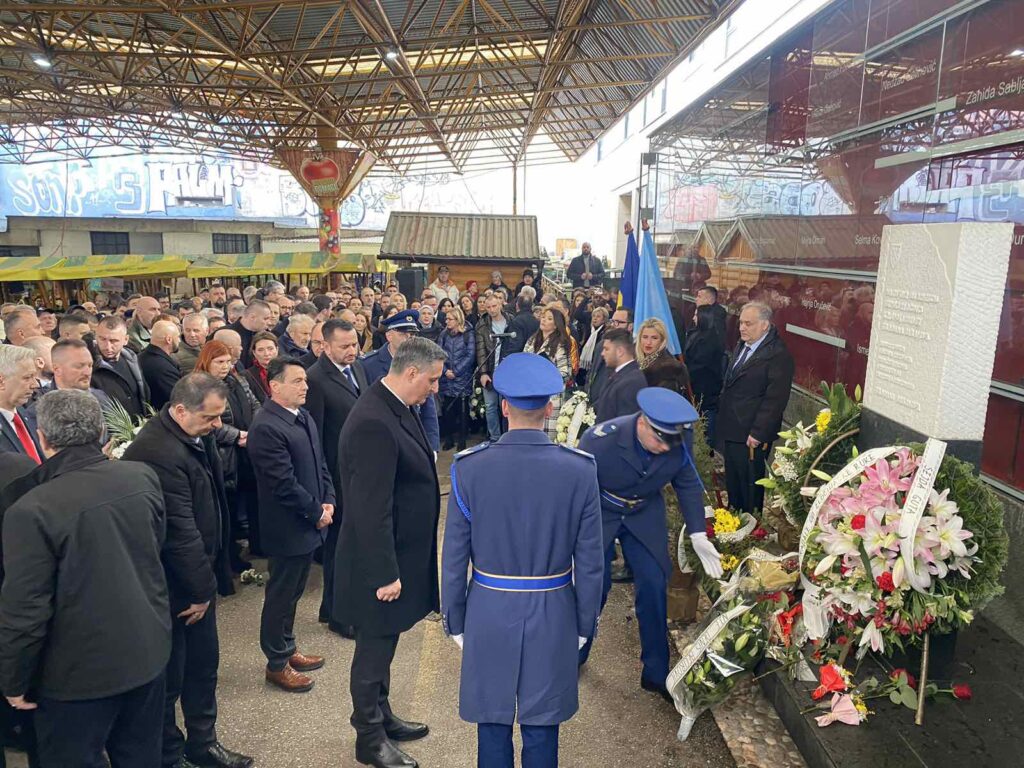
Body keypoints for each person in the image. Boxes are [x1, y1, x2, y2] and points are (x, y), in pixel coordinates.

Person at [442, 353, 603, 768]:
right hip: (554, 608)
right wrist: (584, 624)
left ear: (503, 406)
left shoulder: (469, 468)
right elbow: (590, 563)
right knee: (542, 723)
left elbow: (454, 556)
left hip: (489, 608)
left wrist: (455, 618)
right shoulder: (580, 470)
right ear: (550, 408)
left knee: (492, 720)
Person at [0, 390, 171, 768]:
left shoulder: (31, 510)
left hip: (74, 678)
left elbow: (26, 609)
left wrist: (13, 680)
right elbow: (155, 551)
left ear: (43, 439)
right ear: (100, 431)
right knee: (141, 755)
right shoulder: (141, 476)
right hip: (146, 650)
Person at [123, 375, 253, 768]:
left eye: (219, 416)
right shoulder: (158, 451)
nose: (217, 425)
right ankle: (169, 753)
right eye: (210, 417)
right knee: (171, 676)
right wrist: (199, 591)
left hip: (197, 576)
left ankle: (203, 742)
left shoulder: (194, 433)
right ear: (180, 410)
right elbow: (179, 533)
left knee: (202, 666)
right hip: (173, 586)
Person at [334, 337, 444, 768]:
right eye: (432, 380)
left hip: (397, 555)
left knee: (387, 643)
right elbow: (369, 506)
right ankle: (369, 737)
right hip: (377, 563)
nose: (434, 388)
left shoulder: (395, 405)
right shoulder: (374, 422)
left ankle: (381, 715)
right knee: (373, 650)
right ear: (411, 372)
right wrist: (384, 573)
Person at [577, 388, 723, 701]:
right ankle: (576, 650)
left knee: (655, 583)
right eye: (660, 440)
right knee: (594, 585)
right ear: (642, 422)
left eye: (671, 442)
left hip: (644, 512)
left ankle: (656, 673)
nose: (665, 448)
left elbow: (687, 482)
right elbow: (575, 488)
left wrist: (698, 533)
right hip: (601, 510)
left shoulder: (677, 439)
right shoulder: (599, 440)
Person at [248, 357, 335, 694]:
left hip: (310, 521)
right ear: (275, 386)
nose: (305, 386)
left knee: (294, 592)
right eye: (297, 381)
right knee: (281, 595)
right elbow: (282, 484)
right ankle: (276, 662)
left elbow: (320, 462)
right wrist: (315, 512)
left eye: (305, 380)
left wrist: (328, 499)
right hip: (288, 527)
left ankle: (287, 646)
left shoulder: (302, 416)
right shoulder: (267, 426)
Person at [305, 319, 368, 637]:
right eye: (344, 346)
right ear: (325, 346)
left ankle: (335, 605)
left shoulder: (356, 368)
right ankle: (338, 614)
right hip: (335, 477)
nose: (351, 350)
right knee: (340, 548)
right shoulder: (315, 380)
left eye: (354, 344)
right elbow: (314, 437)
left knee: (352, 545)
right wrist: (323, 488)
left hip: (359, 472)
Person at [718, 301, 794, 513]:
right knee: (733, 479)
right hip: (733, 426)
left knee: (749, 483)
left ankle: (751, 522)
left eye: (748, 323)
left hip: (751, 432)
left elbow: (775, 398)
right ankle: (734, 518)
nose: (742, 328)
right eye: (741, 323)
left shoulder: (777, 354)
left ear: (764, 325)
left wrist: (758, 432)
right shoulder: (743, 345)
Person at [194, 341, 258, 578]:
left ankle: (252, 546)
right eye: (219, 362)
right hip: (223, 454)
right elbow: (209, 423)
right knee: (227, 508)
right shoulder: (199, 386)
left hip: (246, 448)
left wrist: (255, 431)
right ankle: (228, 558)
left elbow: (255, 404)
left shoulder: (238, 380)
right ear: (207, 361)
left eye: (228, 362)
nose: (225, 366)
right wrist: (238, 435)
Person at [361, 310, 440, 454]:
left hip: (413, 435)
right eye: (403, 334)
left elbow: (428, 408)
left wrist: (432, 447)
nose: (409, 339)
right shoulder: (369, 365)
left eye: (412, 335)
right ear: (389, 336)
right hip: (383, 438)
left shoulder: (420, 361)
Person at [522, 307, 572, 442]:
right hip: (532, 392)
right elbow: (524, 361)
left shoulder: (560, 344)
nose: (543, 320)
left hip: (551, 395)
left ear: (556, 325)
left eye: (549, 319)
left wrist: (545, 374)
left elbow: (565, 372)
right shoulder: (532, 340)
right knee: (531, 435)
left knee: (546, 438)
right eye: (543, 317)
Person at [475, 294, 516, 442]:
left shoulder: (511, 321)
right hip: (490, 370)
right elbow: (480, 351)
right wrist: (483, 373)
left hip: (507, 371)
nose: (492, 309)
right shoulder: (482, 325)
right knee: (490, 406)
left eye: (494, 306)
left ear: (500, 305)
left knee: (506, 407)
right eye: (488, 307)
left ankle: (507, 437)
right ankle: (494, 438)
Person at [91, 315, 150, 419]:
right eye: (102, 339)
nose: (108, 346)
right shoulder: (89, 366)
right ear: (96, 336)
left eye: (114, 341)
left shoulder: (132, 359)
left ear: (126, 339)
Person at [684, 305, 726, 447]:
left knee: (706, 416)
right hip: (695, 384)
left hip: (705, 387)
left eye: (696, 315)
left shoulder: (710, 339)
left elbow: (700, 364)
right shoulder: (696, 333)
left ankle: (707, 446)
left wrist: (685, 371)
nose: (693, 318)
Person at [437, 306, 476, 451]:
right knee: (448, 410)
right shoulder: (443, 335)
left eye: (450, 319)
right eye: (446, 319)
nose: (447, 321)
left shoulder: (468, 334)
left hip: (462, 378)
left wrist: (456, 371)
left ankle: (462, 439)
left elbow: (470, 355)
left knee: (463, 410)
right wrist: (445, 371)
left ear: (458, 320)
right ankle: (449, 439)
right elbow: (438, 354)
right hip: (446, 378)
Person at [593, 328, 647, 423]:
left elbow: (625, 424)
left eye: (606, 349)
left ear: (620, 351)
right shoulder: (618, 374)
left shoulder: (632, 382)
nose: (602, 353)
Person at [0, 345, 42, 462]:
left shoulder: (32, 415)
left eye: (35, 377)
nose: (35, 385)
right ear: (1, 381)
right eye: (27, 377)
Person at [636, 318, 690, 397]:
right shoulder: (635, 361)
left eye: (654, 338)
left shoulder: (669, 369)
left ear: (662, 341)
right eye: (645, 337)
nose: (648, 342)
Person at [587, 308, 630, 403]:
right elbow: (592, 371)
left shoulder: (632, 352)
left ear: (631, 326)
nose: (614, 325)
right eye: (613, 321)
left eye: (619, 322)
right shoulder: (601, 344)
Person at [139, 319, 183, 410]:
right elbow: (177, 398)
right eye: (178, 337)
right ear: (169, 339)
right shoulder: (162, 367)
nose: (179, 340)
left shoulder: (141, 356)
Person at [227, 300, 272, 369]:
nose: (269, 323)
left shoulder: (266, 335)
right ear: (252, 317)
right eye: (265, 319)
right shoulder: (226, 333)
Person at [244, 331, 279, 404]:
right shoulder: (246, 376)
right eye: (261, 350)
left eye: (270, 349)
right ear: (254, 353)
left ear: (277, 349)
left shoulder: (288, 370)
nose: (266, 353)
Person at [506, 291, 539, 355]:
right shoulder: (537, 321)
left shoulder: (516, 321)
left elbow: (515, 344)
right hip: (532, 355)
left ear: (517, 305)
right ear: (531, 306)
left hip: (518, 356)